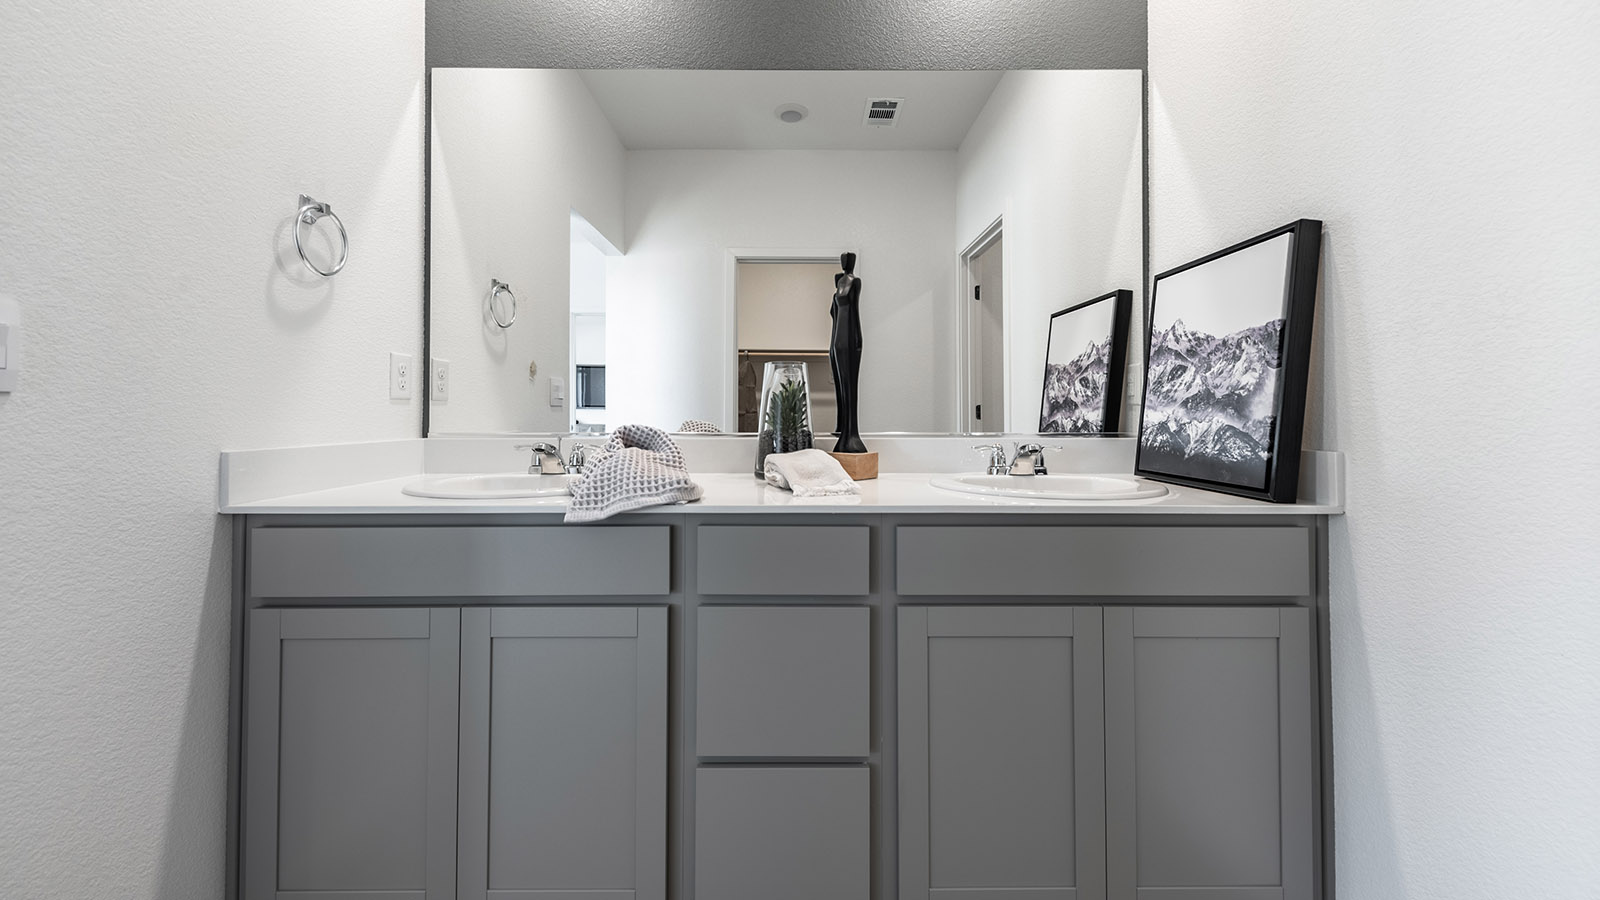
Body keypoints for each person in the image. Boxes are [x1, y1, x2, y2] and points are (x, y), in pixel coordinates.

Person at [829, 252, 868, 454]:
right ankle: (842, 430)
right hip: (837, 338)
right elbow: (834, 315)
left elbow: (854, 312)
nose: (844, 262)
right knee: (839, 383)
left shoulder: (855, 282)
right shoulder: (839, 282)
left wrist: (858, 340)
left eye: (847, 259)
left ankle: (851, 435)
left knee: (849, 385)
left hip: (851, 336)